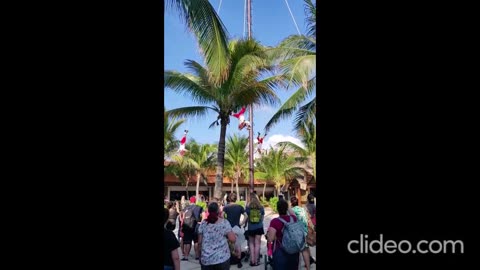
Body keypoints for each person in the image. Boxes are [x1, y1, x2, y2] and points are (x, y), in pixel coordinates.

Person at [197, 202, 237, 270]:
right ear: (218, 211)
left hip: (207, 259)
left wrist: (200, 255)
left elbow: (200, 242)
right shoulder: (224, 223)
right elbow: (233, 239)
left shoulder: (203, 224)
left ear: (208, 211)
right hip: (222, 258)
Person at [267, 199, 300, 270]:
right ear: (286, 208)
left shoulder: (275, 221)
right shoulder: (293, 218)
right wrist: (287, 205)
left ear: (277, 209)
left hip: (281, 250)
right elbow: (293, 213)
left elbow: (271, 238)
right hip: (294, 249)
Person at [290, 196, 316, 269]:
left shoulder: (291, 211)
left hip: (295, 232)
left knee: (297, 251)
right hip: (304, 231)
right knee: (305, 250)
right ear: (298, 202)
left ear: (291, 203)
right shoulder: (303, 209)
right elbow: (308, 219)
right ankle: (308, 267)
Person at [223, 193, 247, 268]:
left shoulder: (226, 207)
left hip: (229, 228)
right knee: (238, 244)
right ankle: (239, 261)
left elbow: (221, 215)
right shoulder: (240, 207)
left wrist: (225, 221)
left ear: (229, 199)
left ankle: (230, 259)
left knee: (229, 244)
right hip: (237, 227)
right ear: (236, 199)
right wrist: (241, 223)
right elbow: (246, 215)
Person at [245, 193, 265, 267]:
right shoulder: (261, 206)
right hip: (259, 227)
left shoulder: (248, 207)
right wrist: (259, 222)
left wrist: (245, 224)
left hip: (251, 227)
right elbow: (262, 217)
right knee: (257, 244)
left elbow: (246, 217)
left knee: (251, 244)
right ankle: (257, 261)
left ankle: (252, 261)